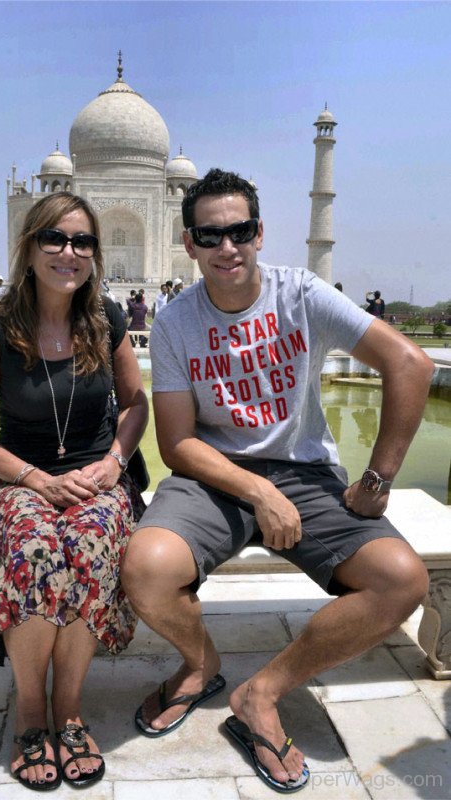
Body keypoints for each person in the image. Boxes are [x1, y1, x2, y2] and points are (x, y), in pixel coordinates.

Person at [122, 168, 433, 793]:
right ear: (188, 243)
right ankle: (200, 663)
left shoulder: (301, 294)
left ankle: (261, 694)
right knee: (145, 568)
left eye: (239, 231)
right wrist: (258, 491)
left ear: (260, 233)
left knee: (401, 581)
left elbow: (411, 363)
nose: (226, 247)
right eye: (210, 236)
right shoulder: (177, 320)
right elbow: (176, 442)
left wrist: (377, 477)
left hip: (306, 472)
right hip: (213, 475)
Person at [0, 191, 148, 792]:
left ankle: (71, 708)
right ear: (29, 247)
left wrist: (114, 463)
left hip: (96, 477)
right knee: (35, 549)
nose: (68, 252)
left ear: (95, 252)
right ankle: (32, 711)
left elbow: (136, 405)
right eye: (54, 239)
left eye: (82, 241)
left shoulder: (105, 318)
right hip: (20, 478)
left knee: (85, 543)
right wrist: (32, 478)